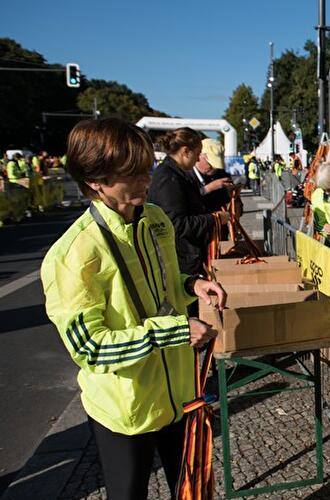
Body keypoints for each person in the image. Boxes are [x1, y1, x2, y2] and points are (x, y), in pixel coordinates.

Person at [41, 118, 226, 500]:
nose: (147, 178)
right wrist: (176, 331)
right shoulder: (74, 253)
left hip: (178, 394)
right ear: (96, 181)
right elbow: (91, 348)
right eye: (133, 172)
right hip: (126, 410)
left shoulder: (155, 219)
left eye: (146, 167)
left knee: (192, 491)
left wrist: (191, 285)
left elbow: (163, 285)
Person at [148, 128, 230, 316]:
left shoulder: (178, 174)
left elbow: (195, 206)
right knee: (189, 313)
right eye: (197, 153)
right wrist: (214, 219)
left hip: (187, 257)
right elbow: (176, 224)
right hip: (180, 261)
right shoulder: (168, 178)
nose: (199, 158)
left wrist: (223, 198)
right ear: (185, 151)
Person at [188, 138, 234, 212]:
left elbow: (230, 203)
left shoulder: (222, 174)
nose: (214, 167)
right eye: (210, 163)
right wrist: (208, 188)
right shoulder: (185, 176)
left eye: (217, 163)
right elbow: (185, 201)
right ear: (198, 156)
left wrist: (233, 196)